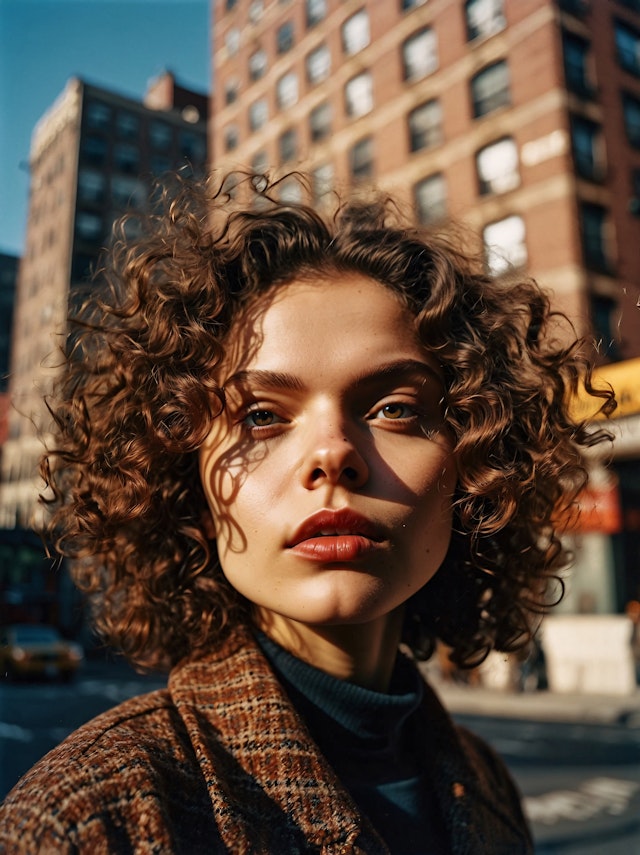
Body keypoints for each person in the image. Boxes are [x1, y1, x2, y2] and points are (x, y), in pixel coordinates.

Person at [0, 172, 614, 854]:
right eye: (261, 416)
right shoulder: (86, 818)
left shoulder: (489, 784)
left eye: (395, 408)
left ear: (472, 466)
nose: (332, 454)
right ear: (188, 485)